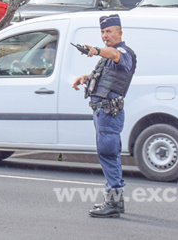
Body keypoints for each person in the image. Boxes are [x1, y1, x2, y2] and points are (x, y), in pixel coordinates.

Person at [71, 14, 137, 218]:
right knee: (107, 154)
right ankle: (115, 200)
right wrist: (85, 78)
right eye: (102, 32)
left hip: (110, 113)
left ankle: (114, 201)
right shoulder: (107, 57)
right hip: (103, 112)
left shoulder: (122, 52)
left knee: (109, 155)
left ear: (120, 33)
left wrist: (97, 50)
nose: (105, 35)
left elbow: (116, 56)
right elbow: (107, 78)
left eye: (109, 31)